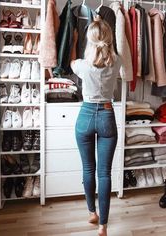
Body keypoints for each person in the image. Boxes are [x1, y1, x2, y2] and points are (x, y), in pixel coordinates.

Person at [71, 17, 121, 236]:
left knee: (88, 169)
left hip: (86, 115)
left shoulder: (82, 64)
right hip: (107, 115)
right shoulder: (117, 61)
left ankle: (92, 212)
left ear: (89, 40)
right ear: (110, 39)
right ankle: (103, 227)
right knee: (104, 173)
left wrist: (73, 42)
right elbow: (109, 55)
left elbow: (72, 62)